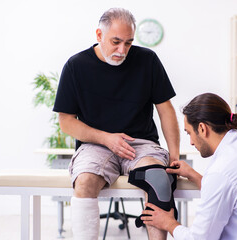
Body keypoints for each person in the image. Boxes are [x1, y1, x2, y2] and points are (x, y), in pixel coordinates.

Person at [53, 8, 180, 240]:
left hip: (140, 144)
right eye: (116, 42)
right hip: (96, 145)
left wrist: (175, 155)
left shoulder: (147, 60)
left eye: (128, 43)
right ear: (99, 35)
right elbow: (66, 122)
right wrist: (106, 138)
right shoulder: (76, 66)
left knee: (158, 179)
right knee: (85, 181)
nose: (122, 50)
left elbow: (166, 110)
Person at [141, 93, 237, 239]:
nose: (191, 142)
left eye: (189, 133)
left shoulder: (222, 170)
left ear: (202, 128)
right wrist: (194, 176)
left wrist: (169, 223)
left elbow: (200, 239)